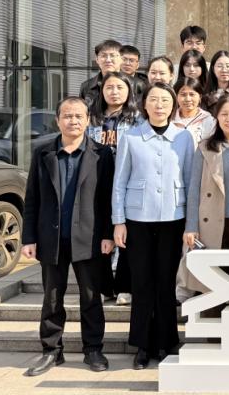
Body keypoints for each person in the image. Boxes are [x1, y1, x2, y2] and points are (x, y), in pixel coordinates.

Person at [22, 97, 115, 376]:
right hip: (51, 237)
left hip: (89, 238)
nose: (73, 121)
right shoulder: (43, 153)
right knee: (52, 298)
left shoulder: (102, 154)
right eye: (67, 116)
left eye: (78, 116)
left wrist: (108, 234)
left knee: (91, 297)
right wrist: (28, 238)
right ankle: (51, 351)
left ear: (88, 120)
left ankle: (93, 349)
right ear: (57, 120)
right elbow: (32, 198)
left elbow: (108, 199)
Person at [112, 82, 194, 370]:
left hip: (174, 218)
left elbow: (190, 180)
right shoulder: (131, 137)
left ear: (173, 106)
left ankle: (167, 341)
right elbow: (119, 182)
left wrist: (191, 222)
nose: (160, 105)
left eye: (165, 100)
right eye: (154, 100)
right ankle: (142, 345)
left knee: (166, 283)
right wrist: (118, 221)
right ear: (144, 104)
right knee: (142, 283)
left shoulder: (184, 137)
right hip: (138, 220)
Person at [181, 95, 229, 296]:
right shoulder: (205, 147)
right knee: (212, 283)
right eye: (224, 114)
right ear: (217, 117)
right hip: (211, 222)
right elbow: (194, 189)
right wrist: (191, 226)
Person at [85, 71, 141, 306]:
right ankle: (103, 286)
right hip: (97, 180)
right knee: (100, 233)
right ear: (102, 91)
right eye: (109, 87)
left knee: (126, 234)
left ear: (129, 91)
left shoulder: (138, 119)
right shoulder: (92, 118)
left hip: (127, 181)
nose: (114, 92)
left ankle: (125, 286)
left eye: (120, 87)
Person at [172, 77, 216, 147]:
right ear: (176, 97)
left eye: (192, 94)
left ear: (200, 97)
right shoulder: (170, 119)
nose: (188, 99)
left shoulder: (209, 121)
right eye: (183, 94)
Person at [79, 40, 123, 107]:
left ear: (122, 59)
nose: (108, 60)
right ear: (97, 59)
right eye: (103, 56)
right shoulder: (87, 86)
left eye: (112, 55)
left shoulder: (134, 84)